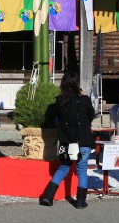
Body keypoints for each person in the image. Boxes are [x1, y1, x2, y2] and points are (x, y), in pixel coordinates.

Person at [39, 71, 96, 209]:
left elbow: (54, 120)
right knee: (82, 170)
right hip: (83, 141)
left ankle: (48, 196)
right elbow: (91, 116)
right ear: (77, 84)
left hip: (66, 142)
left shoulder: (59, 101)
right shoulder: (85, 100)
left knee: (63, 168)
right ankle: (80, 201)